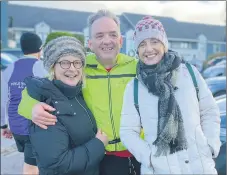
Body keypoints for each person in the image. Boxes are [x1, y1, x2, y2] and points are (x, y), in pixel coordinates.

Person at [18, 10, 141, 175]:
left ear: (121, 39)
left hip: (136, 152)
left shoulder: (137, 67)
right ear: (90, 43)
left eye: (112, 34)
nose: (106, 41)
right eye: (99, 36)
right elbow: (39, 88)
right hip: (98, 153)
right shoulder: (78, 65)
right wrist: (32, 108)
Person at [120, 16, 221, 174]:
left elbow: (209, 111)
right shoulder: (134, 88)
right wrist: (151, 158)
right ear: (137, 50)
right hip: (160, 170)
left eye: (154, 41)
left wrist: (210, 146)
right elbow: (127, 131)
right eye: (142, 44)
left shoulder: (190, 74)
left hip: (199, 168)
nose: (148, 49)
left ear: (164, 44)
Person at [24, 36, 108, 175]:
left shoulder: (77, 95)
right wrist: (98, 145)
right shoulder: (47, 109)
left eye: (77, 62)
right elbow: (56, 164)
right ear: (52, 66)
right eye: (64, 62)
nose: (72, 69)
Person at [1, 32, 48, 175]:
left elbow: (3, 100)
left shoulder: (9, 69)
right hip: (34, 126)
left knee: (32, 161)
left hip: (16, 127)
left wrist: (3, 126)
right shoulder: (42, 67)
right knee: (32, 166)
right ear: (40, 48)